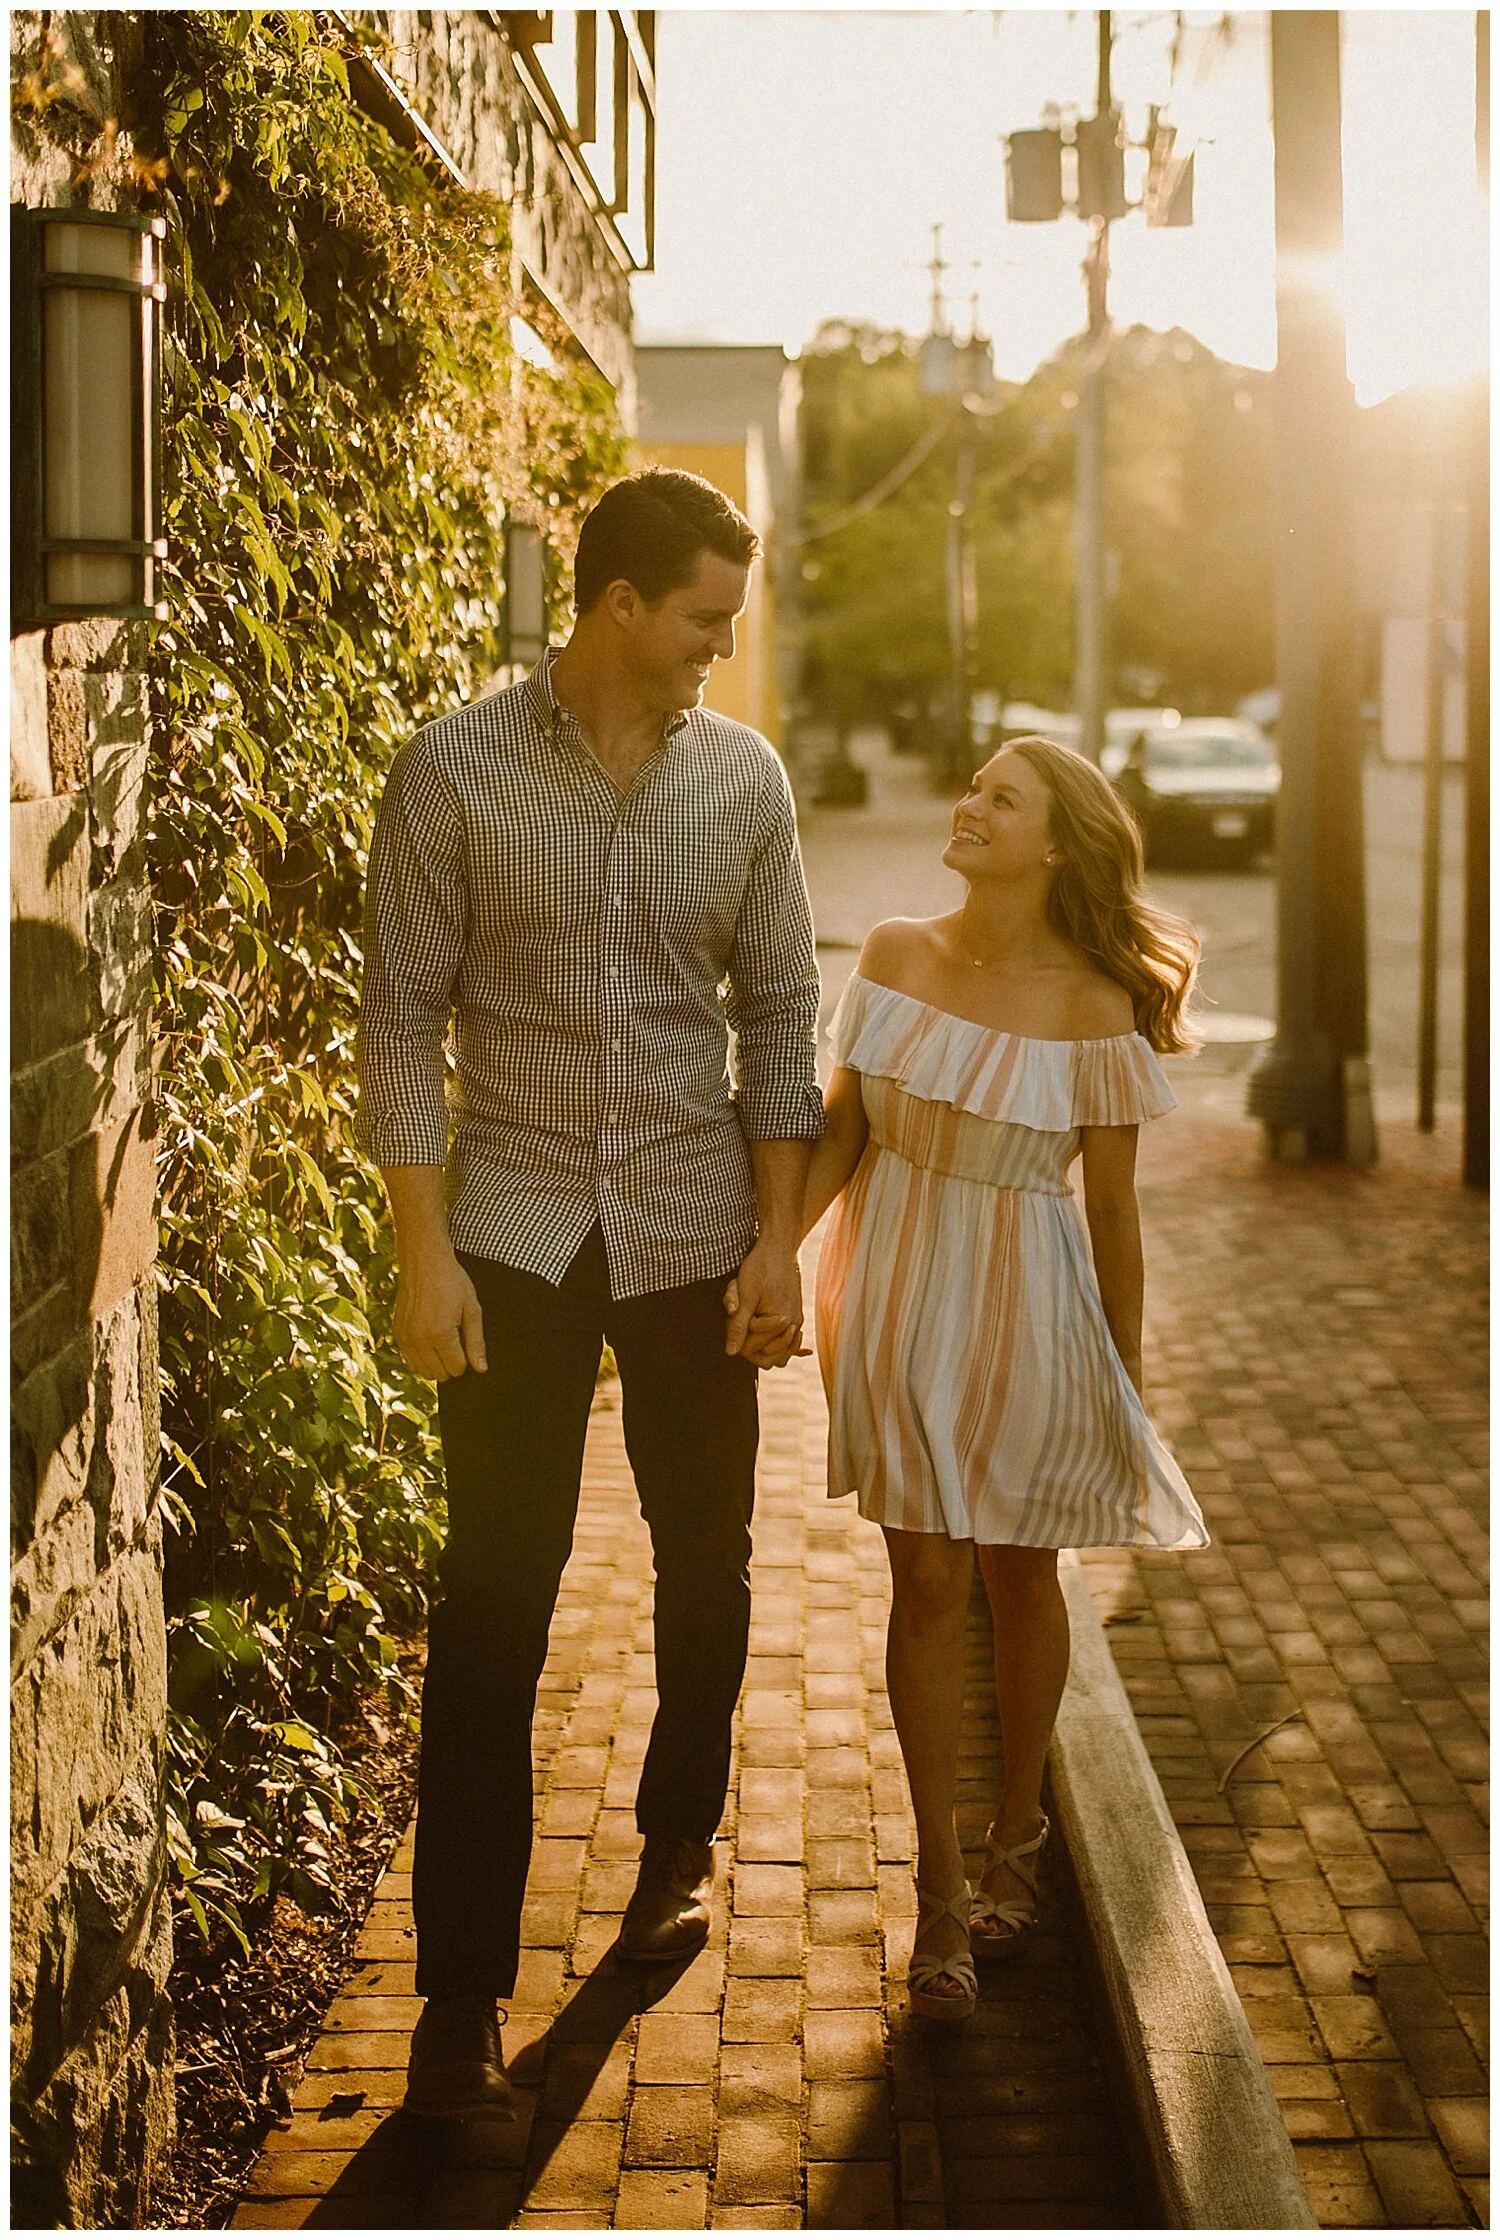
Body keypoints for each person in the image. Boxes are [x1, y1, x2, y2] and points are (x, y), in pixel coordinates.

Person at [357, 468, 822, 2118]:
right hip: (517, 1223)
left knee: (711, 1566)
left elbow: (780, 1010)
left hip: (700, 1225)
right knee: (494, 1600)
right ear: (618, 603)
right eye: (701, 621)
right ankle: (459, 1994)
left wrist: (780, 1239)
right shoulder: (454, 770)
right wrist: (423, 1255)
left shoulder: (741, 781)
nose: (718, 650)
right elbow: (401, 1020)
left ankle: (678, 1842)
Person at [795, 735, 1209, 2022]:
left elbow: (1118, 1216)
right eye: (971, 785)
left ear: (1059, 844)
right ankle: (934, 1897)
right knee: (922, 1573)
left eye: (1001, 797)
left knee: (1018, 1570)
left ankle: (1015, 1842)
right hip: (899, 1284)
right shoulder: (895, 953)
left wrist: (1125, 1383)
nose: (970, 805)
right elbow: (845, 1129)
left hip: (1031, 1291)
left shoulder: (1096, 1003)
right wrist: (771, 1259)